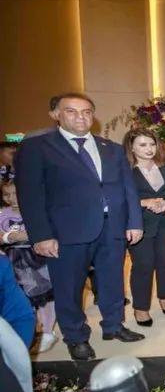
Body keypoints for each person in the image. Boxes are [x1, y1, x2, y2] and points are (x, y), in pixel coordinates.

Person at [14, 92, 145, 361]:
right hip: (66, 231)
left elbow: (127, 188)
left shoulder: (111, 148)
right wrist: (41, 235)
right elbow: (30, 195)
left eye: (86, 112)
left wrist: (134, 221)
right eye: (71, 111)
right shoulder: (38, 147)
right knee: (69, 286)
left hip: (112, 227)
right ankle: (75, 336)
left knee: (112, 280)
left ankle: (113, 325)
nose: (80, 117)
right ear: (55, 115)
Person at [122, 129, 165, 327]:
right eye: (142, 145)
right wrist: (143, 202)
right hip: (139, 224)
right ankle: (141, 307)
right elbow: (119, 198)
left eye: (152, 144)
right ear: (131, 147)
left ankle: (164, 296)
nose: (149, 149)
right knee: (143, 264)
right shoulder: (125, 169)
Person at [0, 181, 57, 352]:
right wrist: (12, 236)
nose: (11, 198)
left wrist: (13, 236)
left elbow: (42, 231)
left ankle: (47, 331)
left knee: (45, 296)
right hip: (12, 261)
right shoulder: (2, 213)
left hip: (37, 258)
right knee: (23, 298)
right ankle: (32, 331)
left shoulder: (35, 210)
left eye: (15, 193)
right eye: (7, 195)